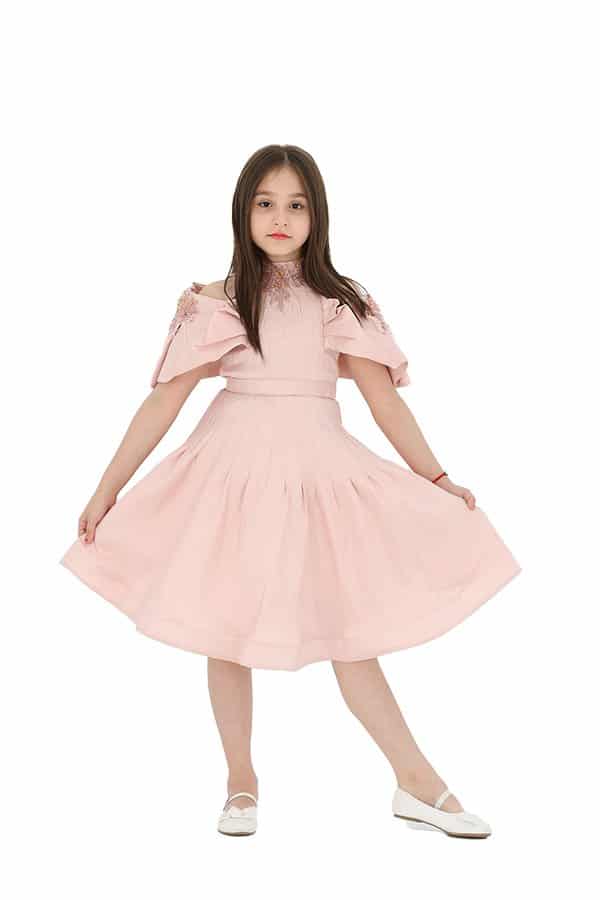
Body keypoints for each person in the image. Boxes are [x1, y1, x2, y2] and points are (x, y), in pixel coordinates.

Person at [59, 144, 521, 840]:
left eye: (297, 204)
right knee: (224, 628)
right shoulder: (217, 301)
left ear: (317, 215)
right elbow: (163, 402)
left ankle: (417, 782)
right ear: (243, 211)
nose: (281, 217)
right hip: (229, 477)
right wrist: (107, 489)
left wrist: (435, 477)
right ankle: (240, 782)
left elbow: (384, 402)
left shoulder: (340, 301)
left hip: (317, 477)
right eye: (266, 203)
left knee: (351, 631)